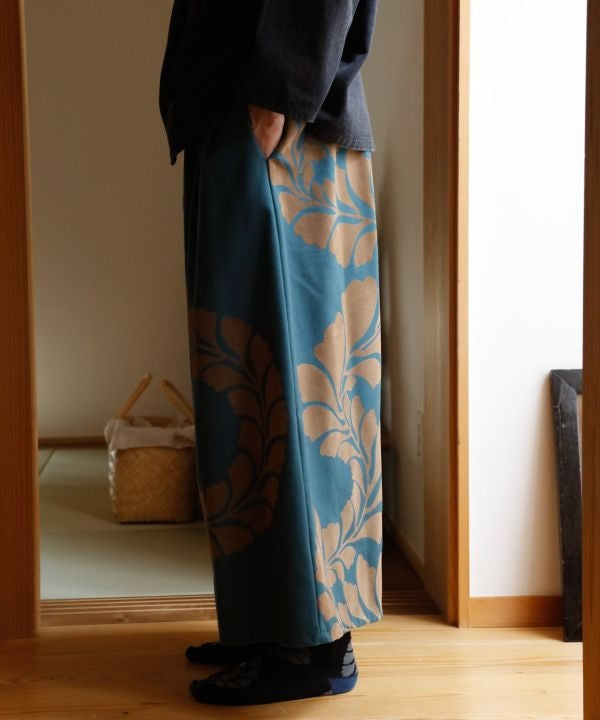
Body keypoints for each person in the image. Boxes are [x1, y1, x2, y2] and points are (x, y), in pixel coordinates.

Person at [159, 0, 383, 706]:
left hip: (280, 116)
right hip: (248, 105)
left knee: (297, 383)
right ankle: (270, 622)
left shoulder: (273, 104)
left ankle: (318, 646)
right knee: (244, 386)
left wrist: (279, 90)